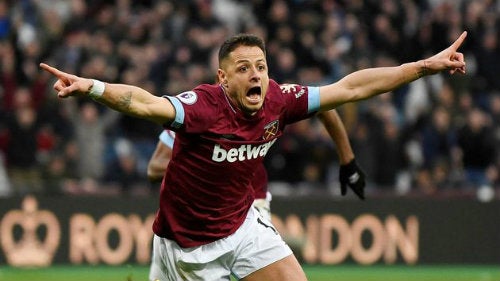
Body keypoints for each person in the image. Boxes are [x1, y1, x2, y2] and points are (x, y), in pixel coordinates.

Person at [40, 31, 467, 281]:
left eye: (260, 66)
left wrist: (424, 66)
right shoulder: (201, 107)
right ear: (223, 78)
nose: (256, 75)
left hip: (244, 227)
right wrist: (92, 86)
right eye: (244, 68)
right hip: (183, 246)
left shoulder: (278, 101)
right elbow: (143, 102)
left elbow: (350, 89)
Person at [147, 110, 366, 221]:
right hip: (197, 212)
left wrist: (348, 161)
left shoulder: (270, 100)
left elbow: (324, 106)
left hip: (253, 206)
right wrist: (203, 168)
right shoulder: (194, 116)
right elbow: (153, 169)